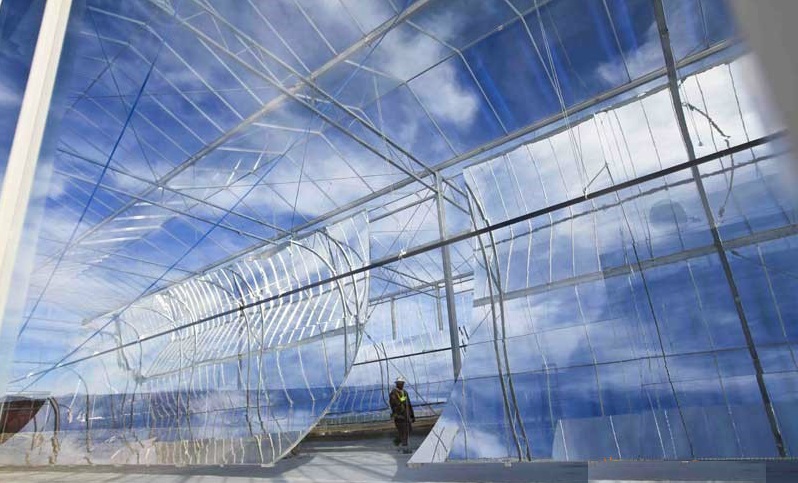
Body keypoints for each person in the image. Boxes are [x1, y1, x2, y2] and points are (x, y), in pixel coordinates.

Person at [389, 376, 415, 453]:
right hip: (399, 416)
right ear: (397, 384)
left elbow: (409, 404)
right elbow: (394, 404)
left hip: (406, 415)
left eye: (402, 383)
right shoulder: (394, 393)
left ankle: (397, 442)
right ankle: (405, 448)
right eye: (400, 383)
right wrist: (399, 413)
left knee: (409, 430)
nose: (401, 384)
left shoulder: (405, 392)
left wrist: (412, 416)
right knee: (403, 431)